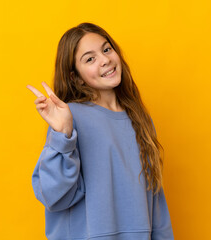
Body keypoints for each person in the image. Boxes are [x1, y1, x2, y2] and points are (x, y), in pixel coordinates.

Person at [27, 22, 174, 240]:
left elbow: (155, 200)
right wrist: (62, 136)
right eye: (90, 59)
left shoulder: (141, 120)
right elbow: (53, 195)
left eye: (106, 49)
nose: (105, 60)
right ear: (75, 77)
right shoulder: (70, 117)